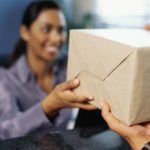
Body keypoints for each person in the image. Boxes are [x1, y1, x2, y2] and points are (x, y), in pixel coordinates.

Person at [0, 0, 96, 140]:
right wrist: (49, 105)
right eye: (46, 29)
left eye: (61, 30)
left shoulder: (69, 65)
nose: (56, 38)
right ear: (25, 32)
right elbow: (5, 134)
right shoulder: (5, 80)